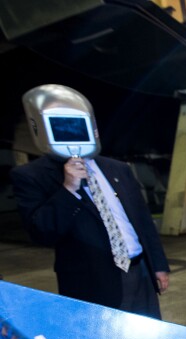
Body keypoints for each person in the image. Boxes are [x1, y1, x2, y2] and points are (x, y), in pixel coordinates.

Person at [12, 84, 170, 318]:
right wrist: (69, 189)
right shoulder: (31, 176)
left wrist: (158, 265)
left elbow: (142, 220)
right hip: (93, 282)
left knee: (151, 338)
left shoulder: (117, 168)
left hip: (141, 272)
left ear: (94, 129)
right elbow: (41, 232)